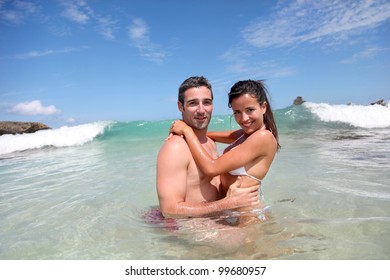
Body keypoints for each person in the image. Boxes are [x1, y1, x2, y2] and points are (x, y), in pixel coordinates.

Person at [170, 79, 280, 224]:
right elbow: (218, 135)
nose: (244, 118)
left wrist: (187, 130)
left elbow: (211, 168)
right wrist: (194, 131)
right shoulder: (246, 134)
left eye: (250, 110)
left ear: (263, 107)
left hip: (247, 215)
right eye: (237, 112)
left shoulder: (263, 137)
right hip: (234, 211)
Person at [156, 76, 260, 219]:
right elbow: (169, 210)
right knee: (252, 240)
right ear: (181, 106)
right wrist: (228, 203)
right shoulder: (175, 148)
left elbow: (252, 133)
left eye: (207, 102)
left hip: (218, 217)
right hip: (195, 225)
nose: (201, 110)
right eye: (193, 103)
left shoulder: (209, 141)